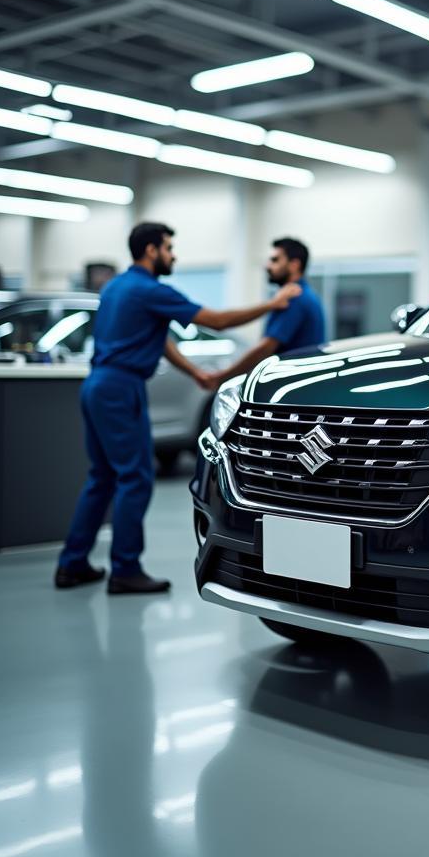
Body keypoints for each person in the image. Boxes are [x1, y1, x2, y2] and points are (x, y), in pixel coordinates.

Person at [56, 222, 301, 595]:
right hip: (122, 388)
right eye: (169, 248)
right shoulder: (151, 290)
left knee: (102, 477)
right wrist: (272, 302)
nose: (173, 255)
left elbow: (159, 339)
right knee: (134, 478)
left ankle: (72, 565)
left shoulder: (116, 287)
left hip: (97, 386)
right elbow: (217, 321)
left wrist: (195, 373)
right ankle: (125, 569)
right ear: (152, 251)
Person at [206, 236, 325, 387]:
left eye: (275, 260)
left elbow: (265, 348)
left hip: (291, 384)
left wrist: (222, 377)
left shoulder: (295, 298)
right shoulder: (299, 295)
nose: (267, 266)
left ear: (294, 265)